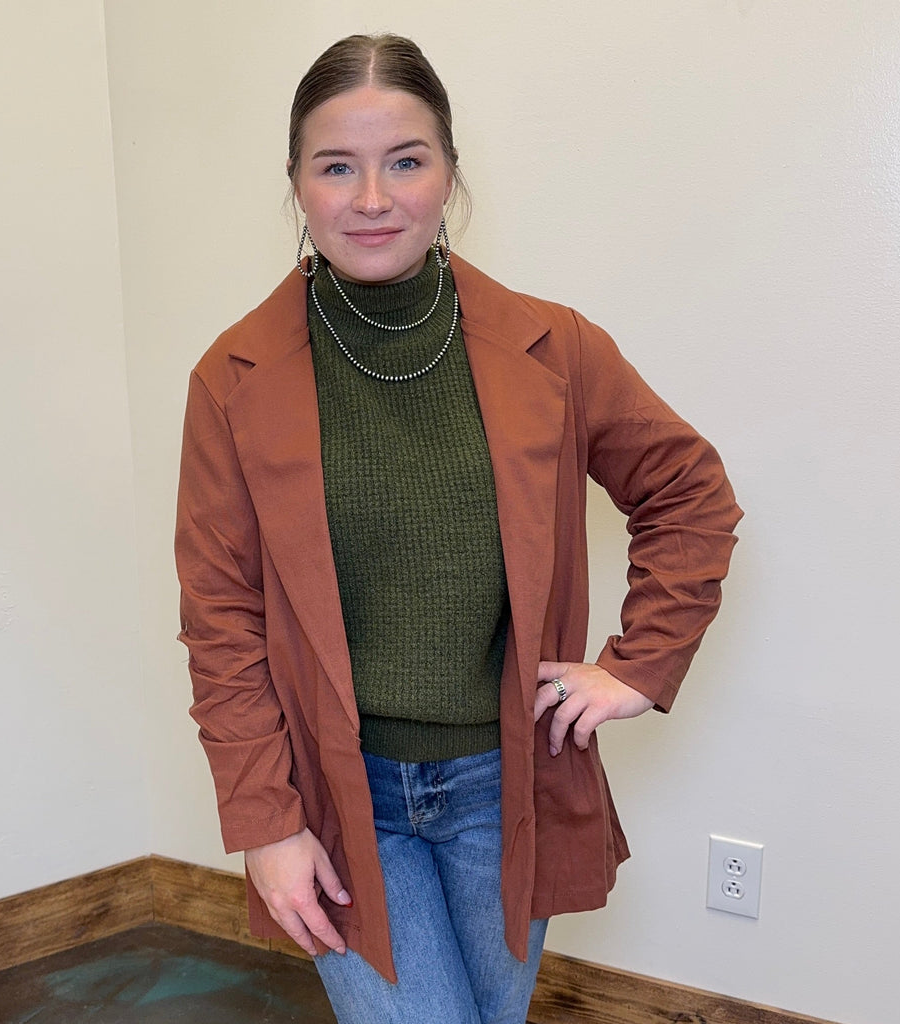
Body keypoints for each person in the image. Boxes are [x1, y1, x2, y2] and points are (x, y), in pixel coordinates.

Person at [175, 33, 741, 1024]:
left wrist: (637, 665)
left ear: (449, 172)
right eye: (336, 167)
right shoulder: (232, 379)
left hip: (505, 784)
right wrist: (265, 822)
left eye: (405, 161)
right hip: (340, 794)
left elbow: (687, 492)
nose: (371, 198)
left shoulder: (553, 347)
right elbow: (221, 619)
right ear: (296, 182)